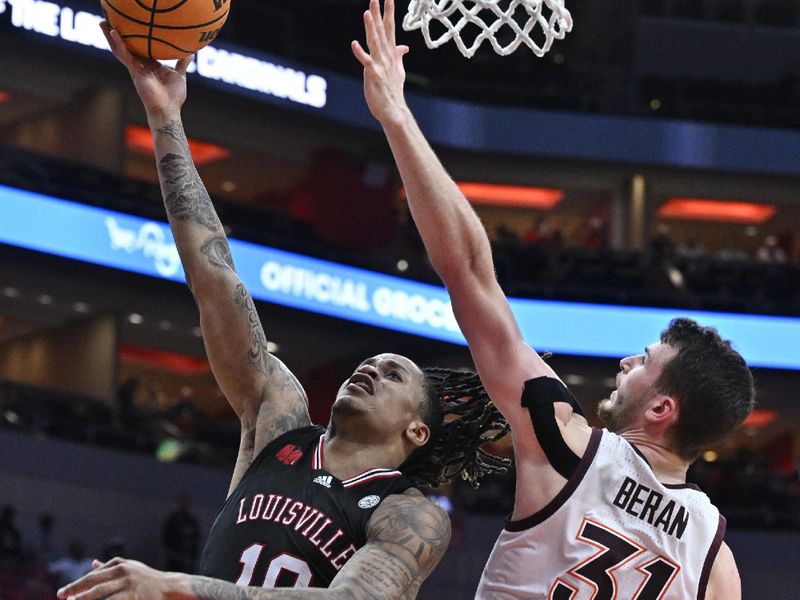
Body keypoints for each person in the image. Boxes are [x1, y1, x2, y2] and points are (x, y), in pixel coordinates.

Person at [58, 18, 509, 600]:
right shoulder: (280, 423)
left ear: (417, 429)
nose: (368, 369)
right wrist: (166, 118)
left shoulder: (411, 516)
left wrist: (175, 588)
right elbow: (215, 278)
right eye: (370, 363)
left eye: (392, 373)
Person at [350, 0, 755, 598]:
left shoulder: (568, 445)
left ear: (662, 409)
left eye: (643, 362)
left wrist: (397, 118)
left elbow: (467, 270)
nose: (626, 363)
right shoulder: (715, 561)